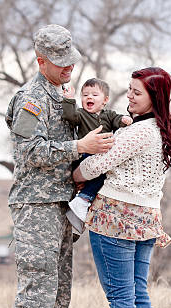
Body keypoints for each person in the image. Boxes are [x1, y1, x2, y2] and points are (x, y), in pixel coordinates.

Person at [5, 24, 113, 308]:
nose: (68, 68)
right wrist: (79, 146)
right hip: (36, 205)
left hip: (63, 204)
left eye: (71, 61)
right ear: (41, 61)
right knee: (38, 282)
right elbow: (28, 152)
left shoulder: (63, 95)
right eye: (60, 62)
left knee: (60, 286)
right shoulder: (31, 99)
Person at [72, 67, 171, 308]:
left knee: (120, 296)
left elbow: (97, 163)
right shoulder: (161, 130)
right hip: (146, 222)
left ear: (153, 97)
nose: (129, 96)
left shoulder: (136, 132)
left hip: (115, 220)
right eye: (129, 90)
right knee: (137, 293)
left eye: (137, 92)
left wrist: (75, 175)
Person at [62, 78, 132, 235]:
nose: (89, 97)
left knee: (103, 180)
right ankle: (83, 200)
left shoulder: (109, 114)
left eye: (94, 94)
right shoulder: (81, 114)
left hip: (103, 156)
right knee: (98, 177)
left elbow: (117, 120)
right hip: (85, 154)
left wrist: (123, 120)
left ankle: (81, 210)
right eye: (85, 95)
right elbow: (70, 117)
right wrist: (68, 100)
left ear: (105, 100)